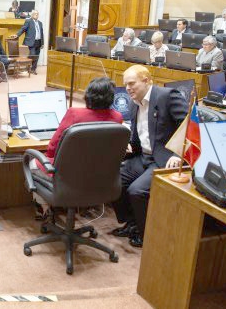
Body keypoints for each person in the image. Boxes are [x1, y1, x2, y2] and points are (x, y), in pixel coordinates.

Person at [111, 65, 187, 248]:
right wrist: (129, 144)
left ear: (146, 80)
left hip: (163, 159)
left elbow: (189, 124)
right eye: (126, 85)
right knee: (113, 180)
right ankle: (132, 223)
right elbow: (140, 131)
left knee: (137, 191)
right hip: (142, 156)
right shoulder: (133, 101)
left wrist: (179, 154)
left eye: (132, 83)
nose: (128, 88)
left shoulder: (167, 96)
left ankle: (147, 234)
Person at [31, 77, 123, 219]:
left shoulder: (74, 113)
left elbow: (52, 148)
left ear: (87, 95)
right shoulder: (117, 117)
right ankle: (81, 206)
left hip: (66, 174)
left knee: (32, 161)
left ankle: (44, 208)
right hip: (98, 176)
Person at [14, 9, 44, 74]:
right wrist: (17, 35)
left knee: (36, 56)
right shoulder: (28, 21)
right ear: (32, 15)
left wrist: (42, 43)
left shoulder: (40, 23)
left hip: (38, 42)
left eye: (37, 14)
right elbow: (23, 29)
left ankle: (33, 69)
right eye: (35, 14)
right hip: (31, 41)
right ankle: (28, 66)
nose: (36, 15)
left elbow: (42, 33)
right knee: (32, 54)